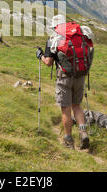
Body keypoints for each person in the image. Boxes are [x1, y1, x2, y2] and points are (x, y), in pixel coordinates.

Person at [36, 15, 90, 150]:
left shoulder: (53, 39)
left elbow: (48, 62)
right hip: (80, 75)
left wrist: (40, 55)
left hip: (64, 77)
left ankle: (68, 140)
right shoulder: (78, 35)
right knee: (76, 105)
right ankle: (83, 133)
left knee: (65, 109)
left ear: (55, 27)